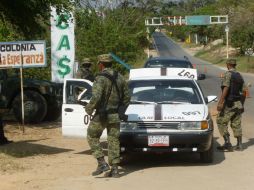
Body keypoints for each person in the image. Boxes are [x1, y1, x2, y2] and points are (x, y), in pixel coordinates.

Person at [85, 54, 130, 178]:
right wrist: (121, 110)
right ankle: (115, 169)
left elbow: (96, 97)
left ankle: (101, 163)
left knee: (92, 136)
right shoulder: (120, 77)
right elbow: (127, 97)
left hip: (102, 115)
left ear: (101, 64)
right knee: (114, 140)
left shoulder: (100, 78)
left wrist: (89, 109)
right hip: (115, 115)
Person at [216, 59, 246, 151]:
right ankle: (239, 145)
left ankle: (227, 143)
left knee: (220, 120)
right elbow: (244, 91)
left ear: (228, 65)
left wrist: (220, 103)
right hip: (238, 103)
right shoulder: (239, 76)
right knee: (236, 123)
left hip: (229, 103)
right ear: (235, 65)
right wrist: (242, 105)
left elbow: (226, 88)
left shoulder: (228, 74)